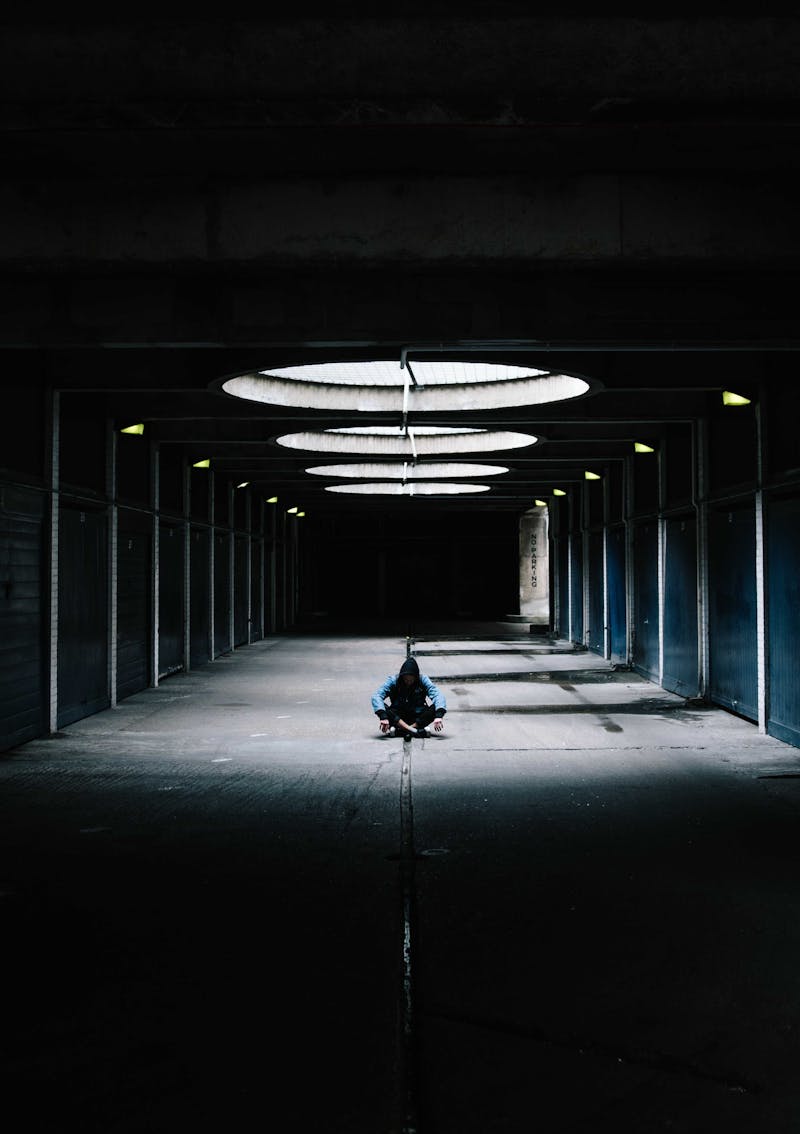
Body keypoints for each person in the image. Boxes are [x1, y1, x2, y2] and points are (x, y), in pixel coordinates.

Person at [372, 655, 446, 739]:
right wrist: (383, 716)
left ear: (416, 677)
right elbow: (377, 696)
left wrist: (439, 715)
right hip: (398, 716)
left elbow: (438, 695)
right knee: (383, 707)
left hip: (418, 717)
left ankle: (402, 730)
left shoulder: (423, 680)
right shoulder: (393, 681)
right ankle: (415, 731)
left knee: (436, 706)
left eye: (411, 680)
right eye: (406, 679)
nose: (408, 682)